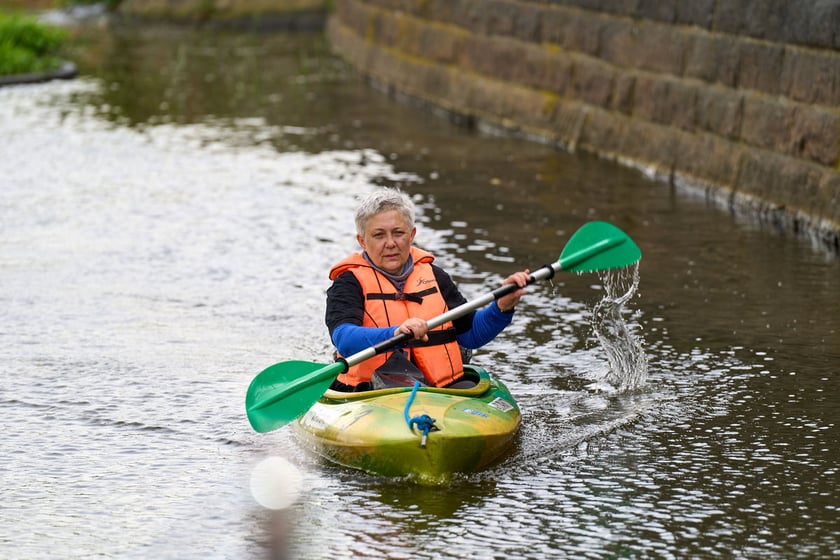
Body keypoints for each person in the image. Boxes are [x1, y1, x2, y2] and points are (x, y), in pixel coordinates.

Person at [325, 188, 530, 392]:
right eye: (379, 235)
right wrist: (396, 333)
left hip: (438, 389)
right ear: (362, 241)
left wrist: (502, 307)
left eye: (398, 233)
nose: (390, 243)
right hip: (369, 391)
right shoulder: (348, 282)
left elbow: (471, 335)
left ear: (411, 234)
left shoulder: (434, 276)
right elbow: (345, 340)